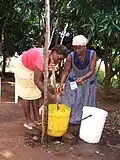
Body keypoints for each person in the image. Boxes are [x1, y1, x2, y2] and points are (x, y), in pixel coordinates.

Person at [12, 45, 69, 129]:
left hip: (33, 68)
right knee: (26, 94)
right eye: (58, 58)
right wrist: (51, 96)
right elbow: (37, 80)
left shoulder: (53, 59)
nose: (59, 61)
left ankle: (36, 118)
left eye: (61, 59)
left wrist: (50, 69)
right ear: (53, 52)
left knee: (36, 92)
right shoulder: (42, 58)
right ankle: (28, 120)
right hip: (24, 66)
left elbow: (45, 78)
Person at [59, 35, 97, 124]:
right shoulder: (71, 56)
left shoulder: (92, 54)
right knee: (69, 99)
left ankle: (83, 121)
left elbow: (91, 71)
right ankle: (68, 119)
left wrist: (83, 78)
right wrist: (61, 83)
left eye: (79, 48)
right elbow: (65, 71)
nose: (77, 51)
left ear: (85, 47)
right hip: (74, 79)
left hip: (87, 80)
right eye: (75, 48)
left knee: (85, 99)